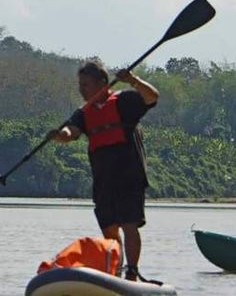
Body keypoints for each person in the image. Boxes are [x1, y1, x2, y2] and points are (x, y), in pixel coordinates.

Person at [48, 61, 159, 282]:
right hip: (104, 179)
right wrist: (61, 135)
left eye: (86, 85)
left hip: (129, 176)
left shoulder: (124, 101)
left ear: (102, 84)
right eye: (80, 85)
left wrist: (133, 80)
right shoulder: (83, 112)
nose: (82, 90)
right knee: (109, 230)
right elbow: (72, 131)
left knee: (129, 224)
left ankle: (132, 272)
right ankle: (115, 272)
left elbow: (152, 97)